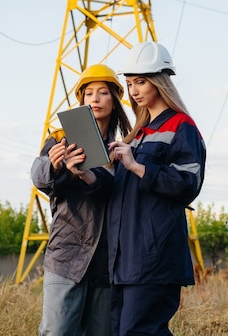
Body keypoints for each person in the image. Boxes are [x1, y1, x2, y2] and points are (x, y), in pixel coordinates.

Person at [106, 41, 207, 335]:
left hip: (153, 256)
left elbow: (188, 182)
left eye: (141, 81)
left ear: (160, 81)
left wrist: (137, 166)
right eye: (129, 83)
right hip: (124, 258)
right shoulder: (136, 134)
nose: (134, 90)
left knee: (138, 332)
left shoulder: (181, 126)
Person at [31, 64, 132, 336]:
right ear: (82, 100)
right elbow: (39, 176)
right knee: (58, 332)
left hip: (105, 264)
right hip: (68, 256)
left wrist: (90, 175)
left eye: (103, 93)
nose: (96, 99)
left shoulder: (122, 149)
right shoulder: (60, 138)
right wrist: (55, 167)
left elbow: (117, 194)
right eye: (89, 94)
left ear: (115, 99)